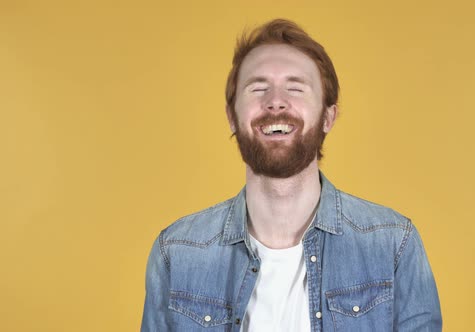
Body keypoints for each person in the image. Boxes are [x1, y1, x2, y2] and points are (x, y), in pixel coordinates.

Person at [141, 18, 442, 332]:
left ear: (328, 116)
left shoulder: (393, 244)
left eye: (295, 88)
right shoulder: (177, 252)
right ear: (232, 116)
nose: (275, 102)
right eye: (258, 88)